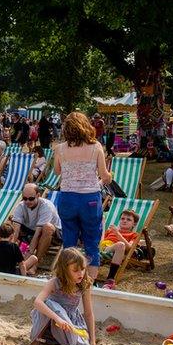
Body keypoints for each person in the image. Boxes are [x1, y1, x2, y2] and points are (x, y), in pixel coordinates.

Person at [54, 112, 112, 279]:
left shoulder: (60, 148)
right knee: (92, 242)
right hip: (89, 198)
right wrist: (109, 177)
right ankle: (89, 284)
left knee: (69, 241)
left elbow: (58, 171)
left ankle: (68, 281)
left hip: (68, 197)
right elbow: (104, 175)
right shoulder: (96, 147)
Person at [31, 247, 100, 345]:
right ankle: (42, 339)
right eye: (75, 270)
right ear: (65, 270)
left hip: (69, 321)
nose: (80, 273)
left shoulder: (84, 285)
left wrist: (93, 342)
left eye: (82, 269)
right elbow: (37, 302)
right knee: (51, 304)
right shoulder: (55, 283)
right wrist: (57, 318)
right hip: (50, 320)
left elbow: (88, 314)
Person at [11, 183, 61, 263]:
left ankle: (35, 263)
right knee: (9, 225)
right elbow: (15, 231)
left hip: (53, 235)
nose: (27, 201)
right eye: (25, 198)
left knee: (47, 227)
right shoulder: (21, 206)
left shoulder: (46, 206)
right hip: (31, 231)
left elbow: (37, 235)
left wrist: (29, 254)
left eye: (31, 198)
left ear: (38, 195)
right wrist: (9, 248)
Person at [99, 208, 142, 288]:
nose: (124, 221)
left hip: (113, 249)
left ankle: (110, 279)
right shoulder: (110, 231)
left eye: (128, 220)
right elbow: (101, 240)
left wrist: (117, 234)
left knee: (121, 245)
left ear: (134, 224)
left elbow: (129, 248)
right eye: (122, 218)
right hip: (102, 246)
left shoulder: (134, 235)